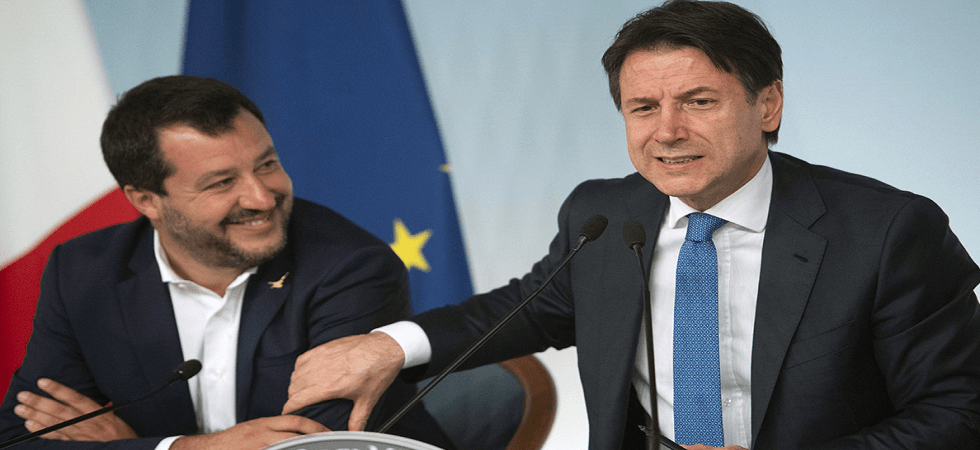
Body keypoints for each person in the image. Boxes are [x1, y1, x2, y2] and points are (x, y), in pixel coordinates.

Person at [281, 1, 980, 449]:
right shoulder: (604, 215)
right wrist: (389, 345)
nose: (667, 132)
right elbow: (527, 309)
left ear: (767, 104)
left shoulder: (887, 231)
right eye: (643, 108)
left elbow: (957, 409)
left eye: (698, 101)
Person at [0, 75, 453, 450]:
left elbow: (320, 447)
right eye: (222, 183)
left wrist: (134, 445)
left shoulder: (351, 267)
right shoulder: (84, 270)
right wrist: (183, 448)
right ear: (146, 200)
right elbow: (18, 436)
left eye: (267, 164)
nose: (261, 198)